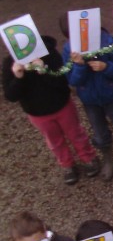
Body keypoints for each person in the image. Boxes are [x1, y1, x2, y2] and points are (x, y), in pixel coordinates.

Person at [3, 35, 99, 185]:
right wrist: (18, 77)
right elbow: (11, 95)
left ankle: (89, 157)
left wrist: (44, 70)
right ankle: (67, 165)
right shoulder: (10, 63)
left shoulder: (49, 54)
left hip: (62, 106)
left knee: (76, 133)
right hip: (38, 113)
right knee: (55, 141)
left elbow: (62, 82)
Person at [60, 17, 113, 180]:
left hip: (111, 95)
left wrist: (106, 67)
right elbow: (72, 81)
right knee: (99, 132)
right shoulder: (69, 49)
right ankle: (108, 158)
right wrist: (79, 65)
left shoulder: (107, 41)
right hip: (90, 100)